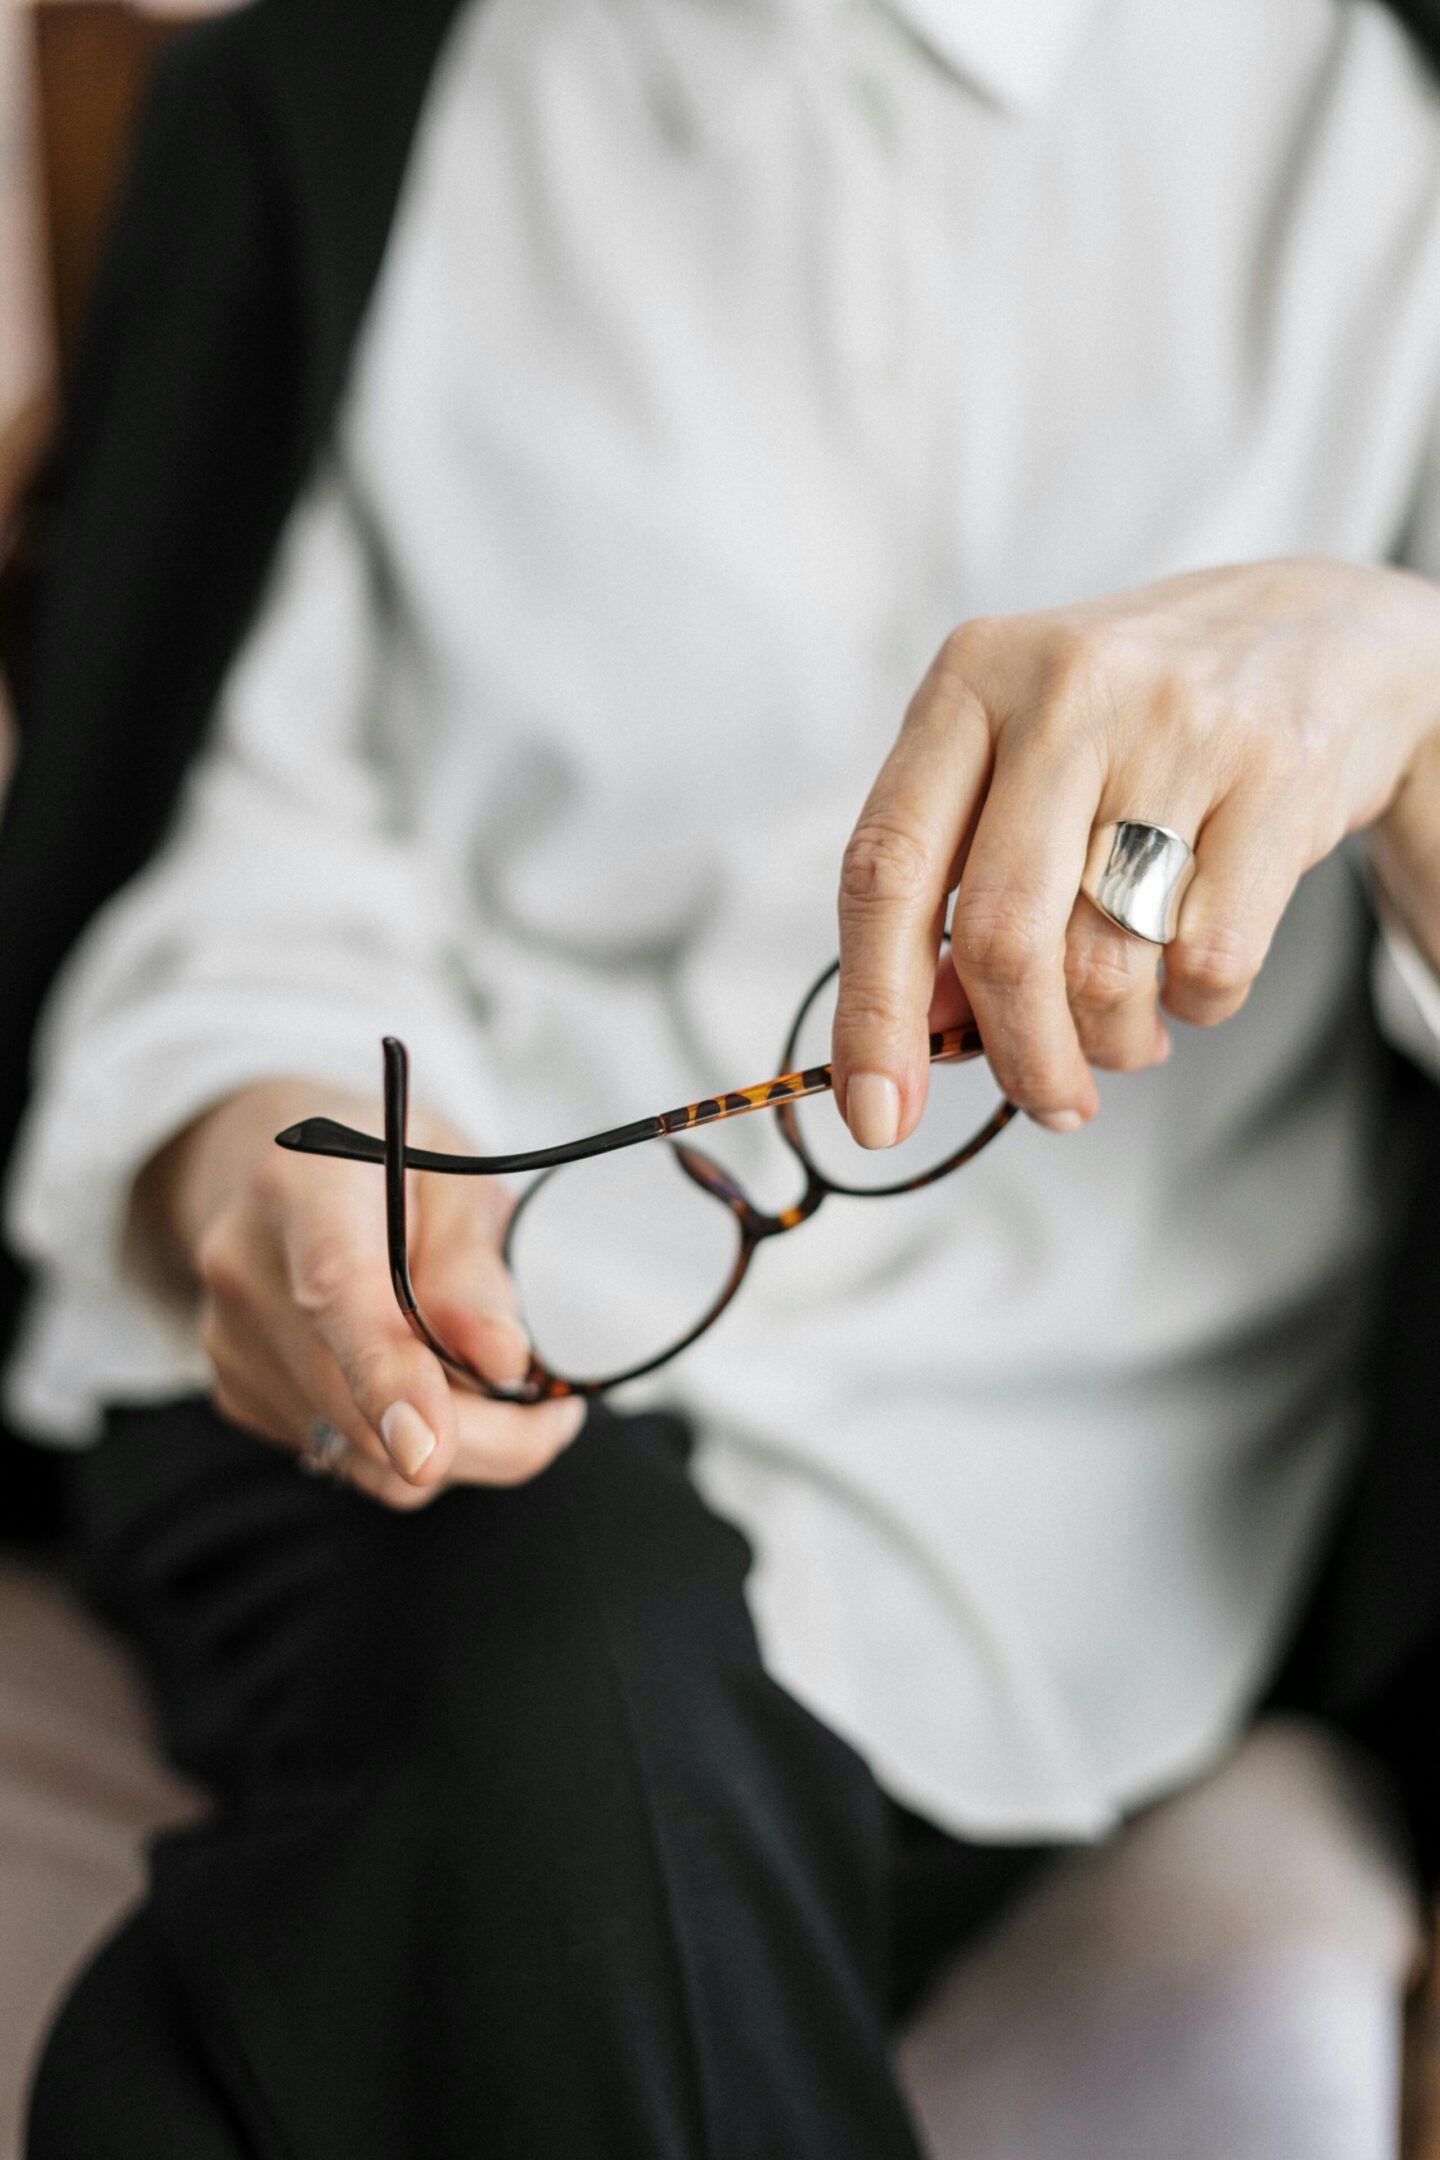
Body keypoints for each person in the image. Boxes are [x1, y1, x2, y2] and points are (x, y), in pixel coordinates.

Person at [5, 0, 1440, 2152]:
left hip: (1095, 1539)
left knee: (272, 2005)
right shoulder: (345, 98)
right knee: (564, 1630)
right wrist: (260, 1155)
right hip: (392, 1423)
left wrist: (1407, 703)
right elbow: (250, 871)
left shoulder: (1378, 130)